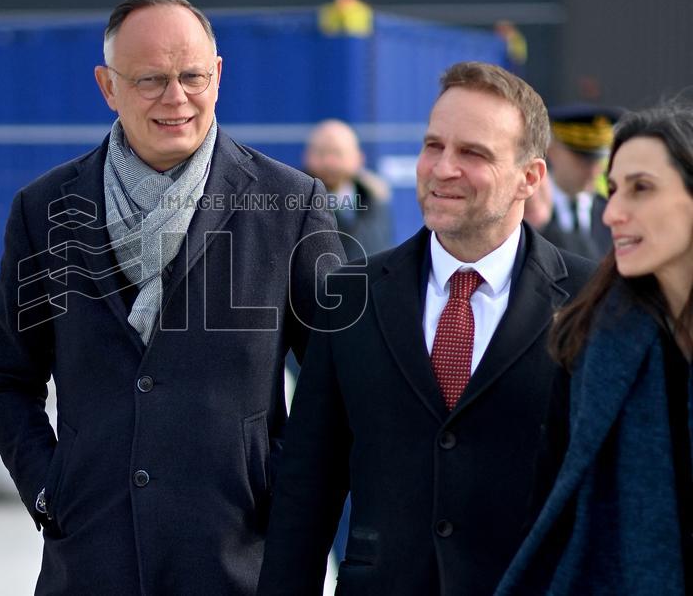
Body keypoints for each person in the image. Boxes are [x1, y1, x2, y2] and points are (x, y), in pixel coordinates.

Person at [0, 0, 345, 595]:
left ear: (218, 75)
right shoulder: (43, 211)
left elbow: (340, 380)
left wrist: (283, 492)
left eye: (192, 76)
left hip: (241, 562)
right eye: (150, 80)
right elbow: (5, 380)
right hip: (91, 564)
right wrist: (48, 487)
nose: (176, 98)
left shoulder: (290, 205)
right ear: (108, 87)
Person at [257, 61, 596, 595]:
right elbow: (307, 484)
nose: (442, 169)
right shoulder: (352, 295)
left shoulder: (591, 300)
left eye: (473, 153)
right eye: (433, 146)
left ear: (530, 178)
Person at [496, 103, 693, 596]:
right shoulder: (587, 343)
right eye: (613, 190)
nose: (613, 213)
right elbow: (552, 516)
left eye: (641, 188)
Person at [536, 104, 620, 259]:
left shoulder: (612, 215)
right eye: (583, 160)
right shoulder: (531, 212)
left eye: (598, 161)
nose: (593, 171)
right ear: (552, 151)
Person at [303, 118, 394, 258]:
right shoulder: (293, 200)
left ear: (359, 158)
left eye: (338, 153)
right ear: (307, 156)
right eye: (321, 153)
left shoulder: (375, 198)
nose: (329, 162)